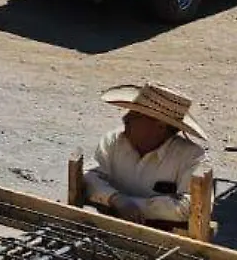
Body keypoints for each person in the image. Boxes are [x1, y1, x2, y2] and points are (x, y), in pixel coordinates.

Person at [83, 82, 211, 228]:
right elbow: (89, 176)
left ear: (160, 126)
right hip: (107, 228)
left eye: (135, 114)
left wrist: (134, 206)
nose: (125, 118)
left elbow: (190, 206)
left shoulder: (191, 157)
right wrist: (116, 199)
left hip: (165, 239)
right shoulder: (113, 141)